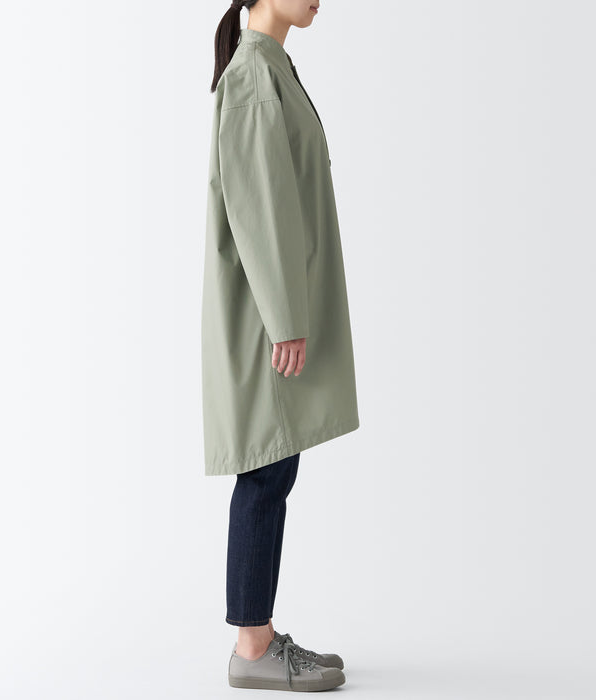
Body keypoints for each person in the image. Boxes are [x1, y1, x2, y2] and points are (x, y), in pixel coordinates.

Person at [201, 0, 360, 691]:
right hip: (265, 315)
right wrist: (285, 315)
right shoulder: (253, 75)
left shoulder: (270, 67)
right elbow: (257, 204)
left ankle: (258, 636)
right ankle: (252, 647)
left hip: (273, 308)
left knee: (274, 465)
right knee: (265, 469)